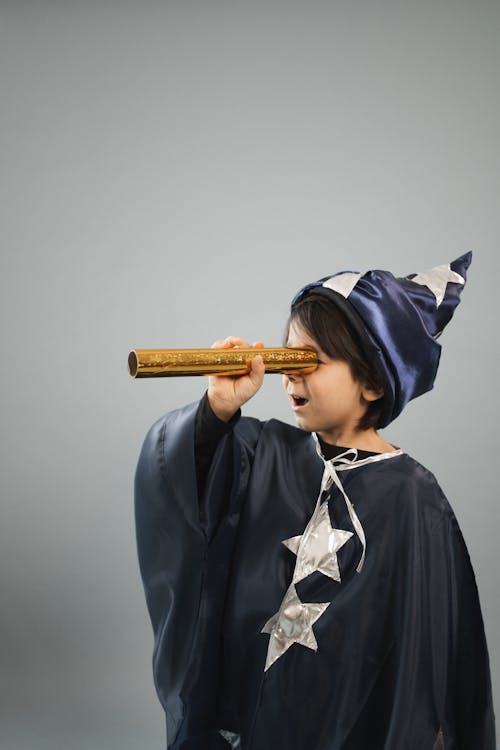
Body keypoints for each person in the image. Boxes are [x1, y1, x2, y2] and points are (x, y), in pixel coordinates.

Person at [134, 252, 496, 750]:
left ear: (372, 381)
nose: (290, 375)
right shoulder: (261, 453)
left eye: (311, 361)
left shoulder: (415, 496)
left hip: (353, 719)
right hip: (249, 713)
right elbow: (185, 487)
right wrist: (219, 407)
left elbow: (426, 652)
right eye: (286, 356)